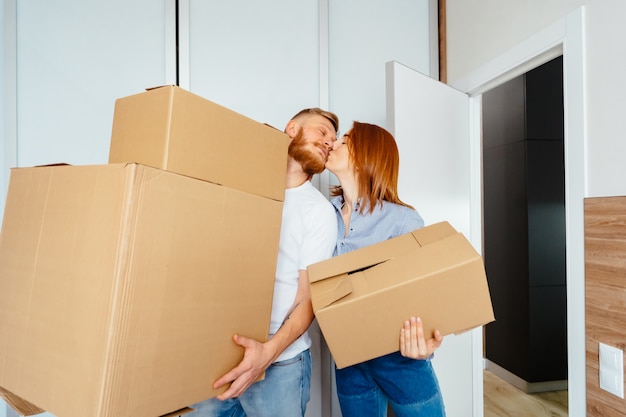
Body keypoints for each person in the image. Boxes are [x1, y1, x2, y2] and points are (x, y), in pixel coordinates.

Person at [191, 108, 339, 417]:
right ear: (291, 128)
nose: (329, 141)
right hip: (217, 354)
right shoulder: (241, 189)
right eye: (322, 131)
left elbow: (307, 298)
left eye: (333, 139)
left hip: (280, 365)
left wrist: (267, 354)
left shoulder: (319, 212)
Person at [325, 121, 446, 417]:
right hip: (349, 359)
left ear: (368, 153)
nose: (334, 142)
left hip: (401, 361)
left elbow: (424, 291)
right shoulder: (324, 215)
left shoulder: (402, 220)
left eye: (346, 140)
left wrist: (426, 345)